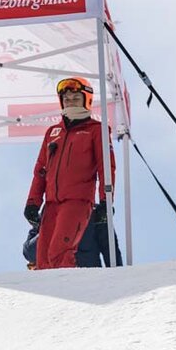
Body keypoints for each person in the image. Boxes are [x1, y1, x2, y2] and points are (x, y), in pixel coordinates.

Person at [23, 76, 115, 270]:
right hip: (51, 204)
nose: (70, 102)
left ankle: (67, 291)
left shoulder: (97, 130)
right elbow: (40, 171)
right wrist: (32, 203)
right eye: (67, 99)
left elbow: (106, 167)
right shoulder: (53, 132)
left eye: (75, 98)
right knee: (43, 256)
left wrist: (106, 201)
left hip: (77, 202)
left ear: (86, 100)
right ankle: (48, 296)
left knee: (59, 251)